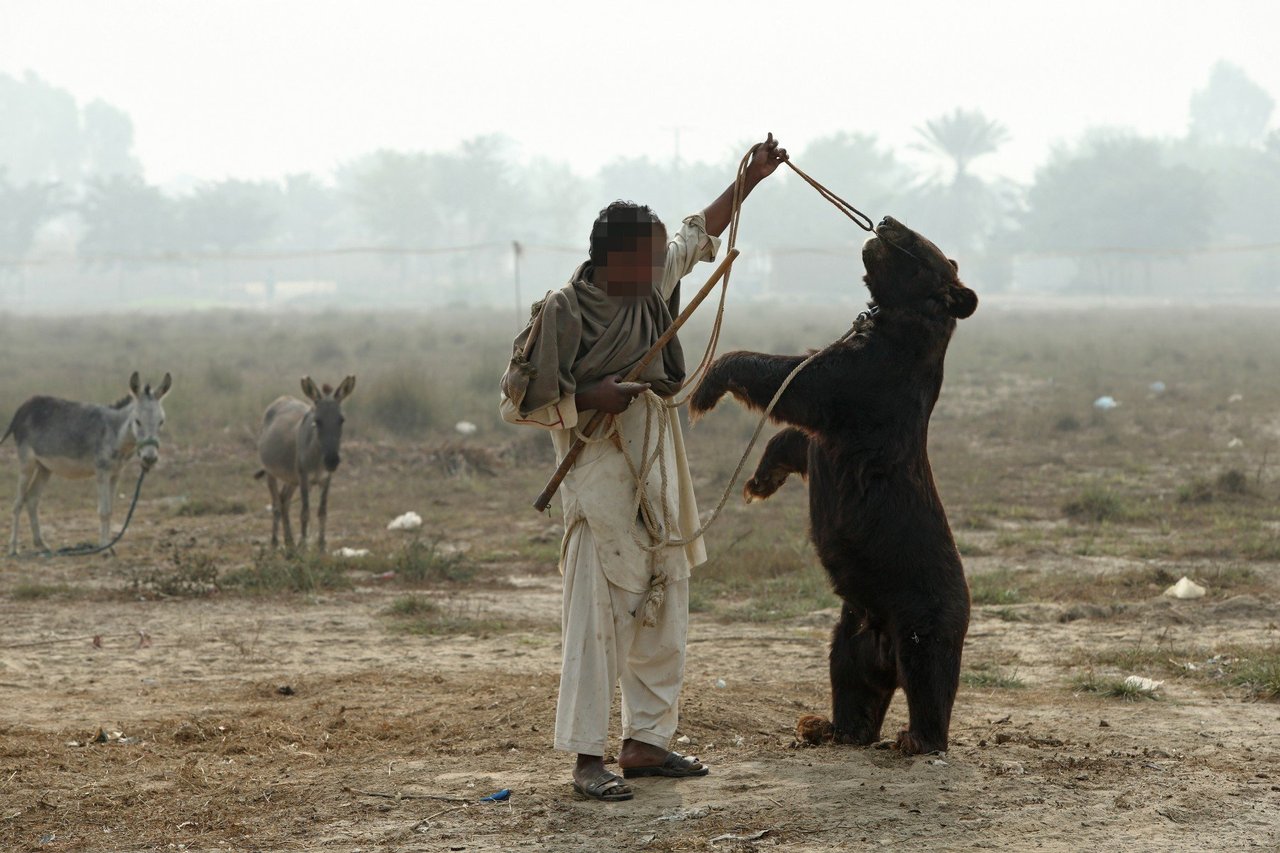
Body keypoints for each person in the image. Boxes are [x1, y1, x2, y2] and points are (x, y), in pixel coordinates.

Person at [499, 134, 787, 801]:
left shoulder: (652, 279)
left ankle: (647, 743)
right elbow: (517, 403)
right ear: (614, 259)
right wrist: (585, 398)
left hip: (658, 448)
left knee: (667, 589)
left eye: (663, 256)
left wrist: (751, 180)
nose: (666, 263)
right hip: (595, 459)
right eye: (652, 256)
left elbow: (698, 234)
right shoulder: (563, 313)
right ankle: (584, 758)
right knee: (597, 610)